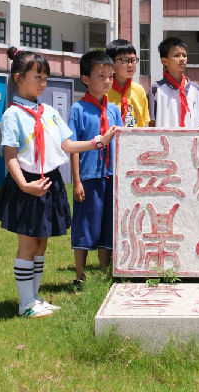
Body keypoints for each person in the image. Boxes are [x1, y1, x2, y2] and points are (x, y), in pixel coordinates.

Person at [0, 47, 117, 318]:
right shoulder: (13, 114)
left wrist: (98, 142)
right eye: (37, 76)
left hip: (50, 182)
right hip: (28, 184)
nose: (42, 83)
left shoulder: (47, 111)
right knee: (27, 244)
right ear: (18, 77)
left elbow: (67, 144)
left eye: (45, 77)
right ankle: (25, 303)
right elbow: (10, 155)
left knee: (41, 244)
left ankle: (35, 298)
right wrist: (25, 185)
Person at [68, 50, 124, 290]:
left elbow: (123, 140)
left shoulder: (113, 110)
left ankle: (103, 273)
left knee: (107, 225)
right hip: (89, 177)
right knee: (84, 224)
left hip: (111, 176)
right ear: (86, 79)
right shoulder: (78, 110)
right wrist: (77, 181)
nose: (107, 81)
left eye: (110, 76)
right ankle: (79, 275)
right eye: (101, 76)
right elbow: (73, 148)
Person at [148, 37, 199, 128]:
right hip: (164, 141)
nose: (182, 59)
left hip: (192, 141)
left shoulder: (196, 89)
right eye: (176, 55)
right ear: (164, 61)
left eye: (184, 55)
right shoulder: (156, 89)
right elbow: (151, 122)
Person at [106, 39, 150, 128]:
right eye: (125, 60)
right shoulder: (104, 90)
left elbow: (144, 121)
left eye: (133, 60)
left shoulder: (139, 90)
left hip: (135, 140)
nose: (130, 65)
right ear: (111, 63)